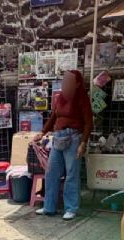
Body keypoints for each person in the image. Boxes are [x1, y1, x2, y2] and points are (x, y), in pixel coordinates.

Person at [33, 69, 93, 220]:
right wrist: (43, 132)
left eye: (69, 81)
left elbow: (88, 123)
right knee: (51, 172)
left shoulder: (82, 98)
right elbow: (53, 117)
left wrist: (83, 143)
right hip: (58, 137)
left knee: (72, 174)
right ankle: (49, 207)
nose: (65, 83)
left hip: (74, 138)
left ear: (77, 84)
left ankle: (71, 208)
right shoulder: (61, 97)